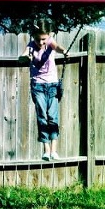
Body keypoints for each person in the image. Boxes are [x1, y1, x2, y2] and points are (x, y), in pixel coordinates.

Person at [19, 19, 68, 161]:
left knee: (52, 116)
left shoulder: (50, 42)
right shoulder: (31, 46)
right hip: (38, 86)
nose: (41, 42)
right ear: (33, 36)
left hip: (52, 85)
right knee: (42, 116)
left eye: (43, 39)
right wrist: (25, 57)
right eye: (37, 39)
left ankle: (54, 150)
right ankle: (46, 150)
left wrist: (64, 51)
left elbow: (57, 47)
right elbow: (24, 55)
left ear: (49, 35)